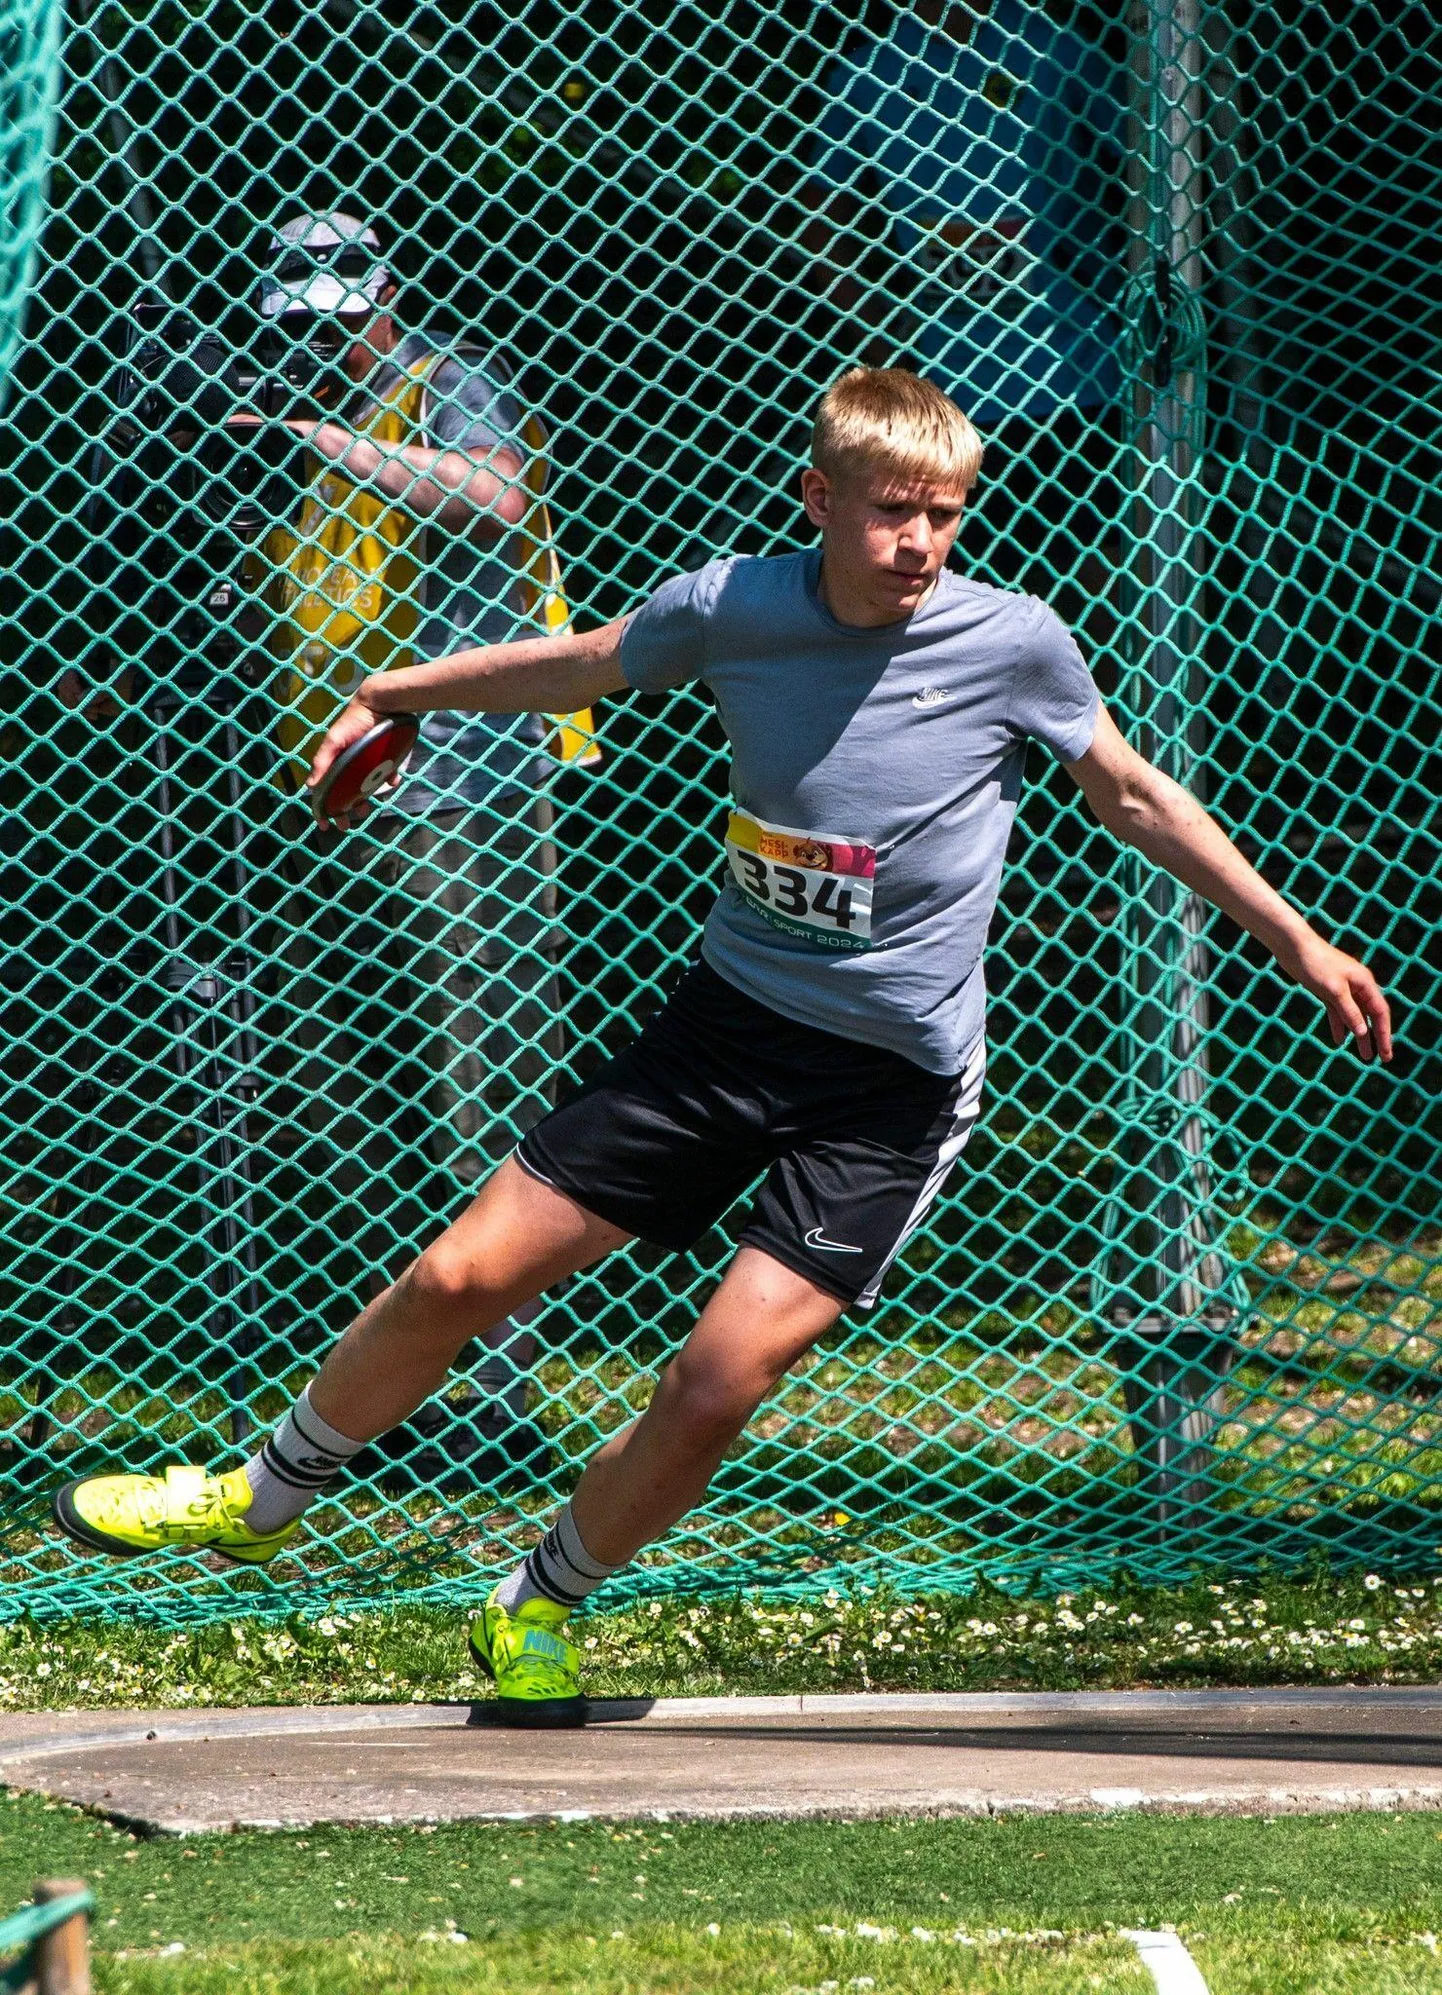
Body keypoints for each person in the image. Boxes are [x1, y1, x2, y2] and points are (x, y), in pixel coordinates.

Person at [53, 368, 1392, 1728]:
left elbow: (1133, 793)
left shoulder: (1014, 644)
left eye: (942, 513)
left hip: (887, 1093)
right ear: (820, 500)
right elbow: (581, 658)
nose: (919, 542)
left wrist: (1293, 936)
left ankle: (539, 1602)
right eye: (889, 512)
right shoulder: (734, 609)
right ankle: (259, 1497)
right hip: (723, 1032)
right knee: (459, 1269)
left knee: (714, 1380)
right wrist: (397, 690)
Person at [249, 211, 597, 1440]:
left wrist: (331, 441)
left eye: (342, 325)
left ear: (383, 297)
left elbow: (496, 498)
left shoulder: (448, 383)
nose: (325, 349)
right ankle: (395, 1371)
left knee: (480, 1078)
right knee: (360, 1084)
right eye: (304, 332)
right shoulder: (281, 433)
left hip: (473, 793)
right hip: (349, 796)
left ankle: (497, 1390)